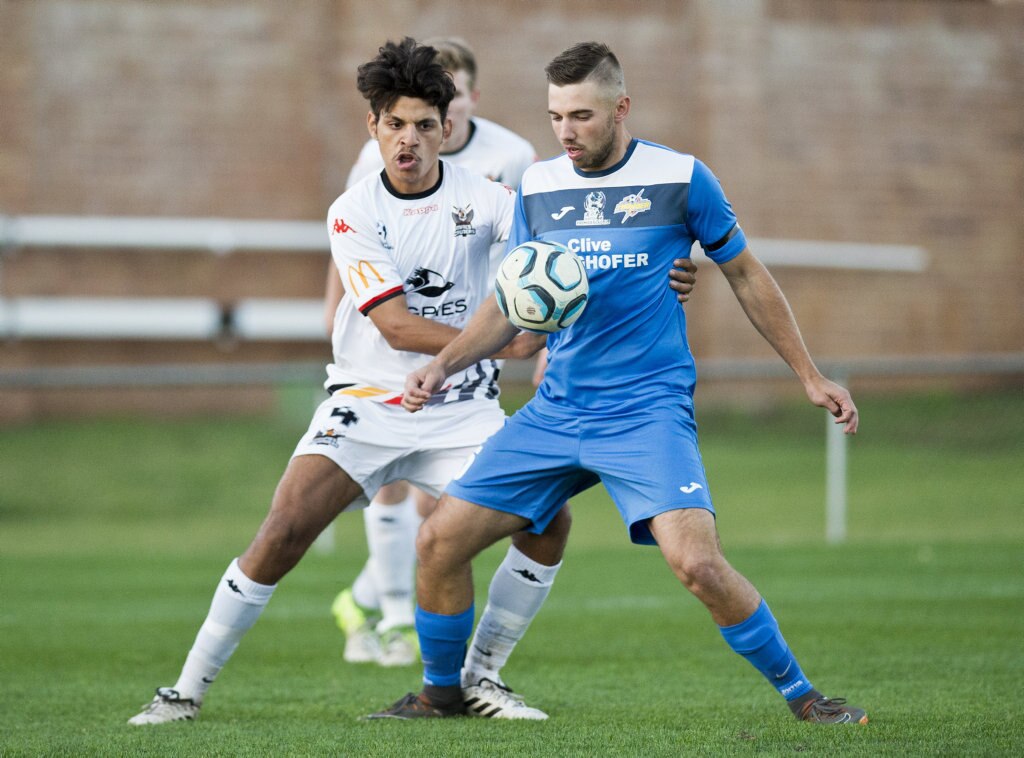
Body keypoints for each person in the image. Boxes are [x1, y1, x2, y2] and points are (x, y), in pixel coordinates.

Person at [126, 36, 697, 726]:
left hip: (461, 412)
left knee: (549, 524)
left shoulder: (492, 202)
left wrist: (669, 272)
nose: (410, 139)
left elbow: (562, 267)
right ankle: (183, 692)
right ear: (373, 128)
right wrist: (501, 341)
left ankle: (482, 679)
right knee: (282, 534)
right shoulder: (353, 210)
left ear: (447, 129)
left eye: (425, 125)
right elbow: (396, 327)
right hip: (367, 404)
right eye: (395, 124)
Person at [370, 42, 868, 725]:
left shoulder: (682, 178)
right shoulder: (540, 187)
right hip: (559, 408)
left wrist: (809, 376)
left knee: (697, 564)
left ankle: (806, 697)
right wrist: (444, 361)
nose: (566, 131)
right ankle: (439, 696)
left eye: (580, 115)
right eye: (555, 117)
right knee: (437, 542)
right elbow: (509, 302)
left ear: (620, 108)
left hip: (647, 411)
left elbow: (748, 274)